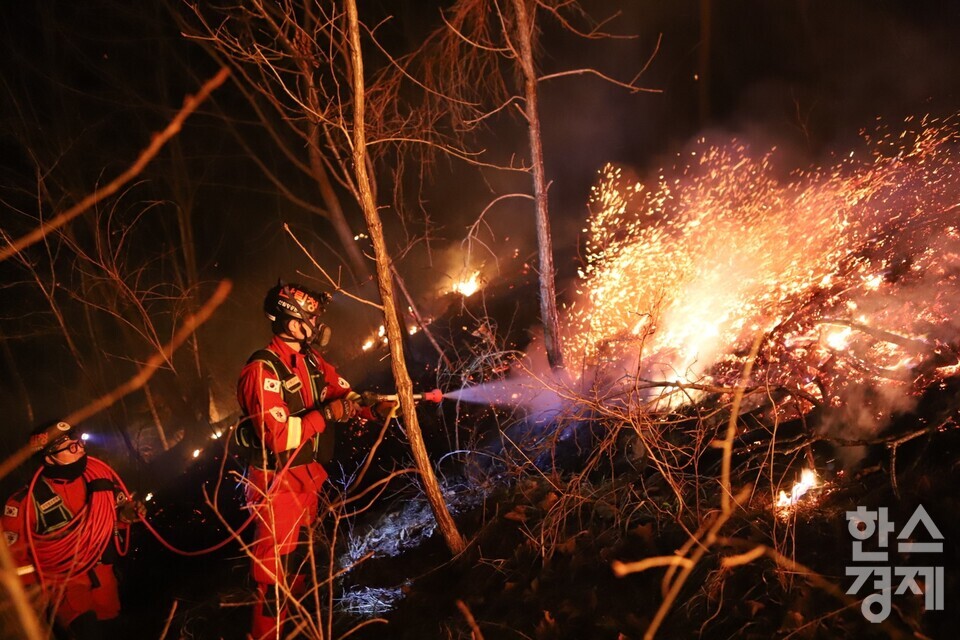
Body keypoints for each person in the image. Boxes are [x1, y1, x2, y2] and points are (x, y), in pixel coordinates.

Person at [236, 281, 395, 638]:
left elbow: (342, 392)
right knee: (273, 578)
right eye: (311, 318)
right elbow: (278, 437)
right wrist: (328, 414)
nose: (318, 326)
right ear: (292, 323)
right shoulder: (263, 371)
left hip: (308, 477)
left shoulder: (311, 360)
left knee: (301, 560)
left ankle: (301, 628)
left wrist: (372, 407)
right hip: (277, 483)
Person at [1, 421, 145, 639]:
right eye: (70, 447)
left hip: (107, 590)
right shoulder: (25, 504)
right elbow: (12, 565)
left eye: (78, 443)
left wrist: (124, 517)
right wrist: (50, 577)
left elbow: (109, 523)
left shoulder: (98, 480)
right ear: (49, 457)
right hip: (69, 599)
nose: (79, 450)